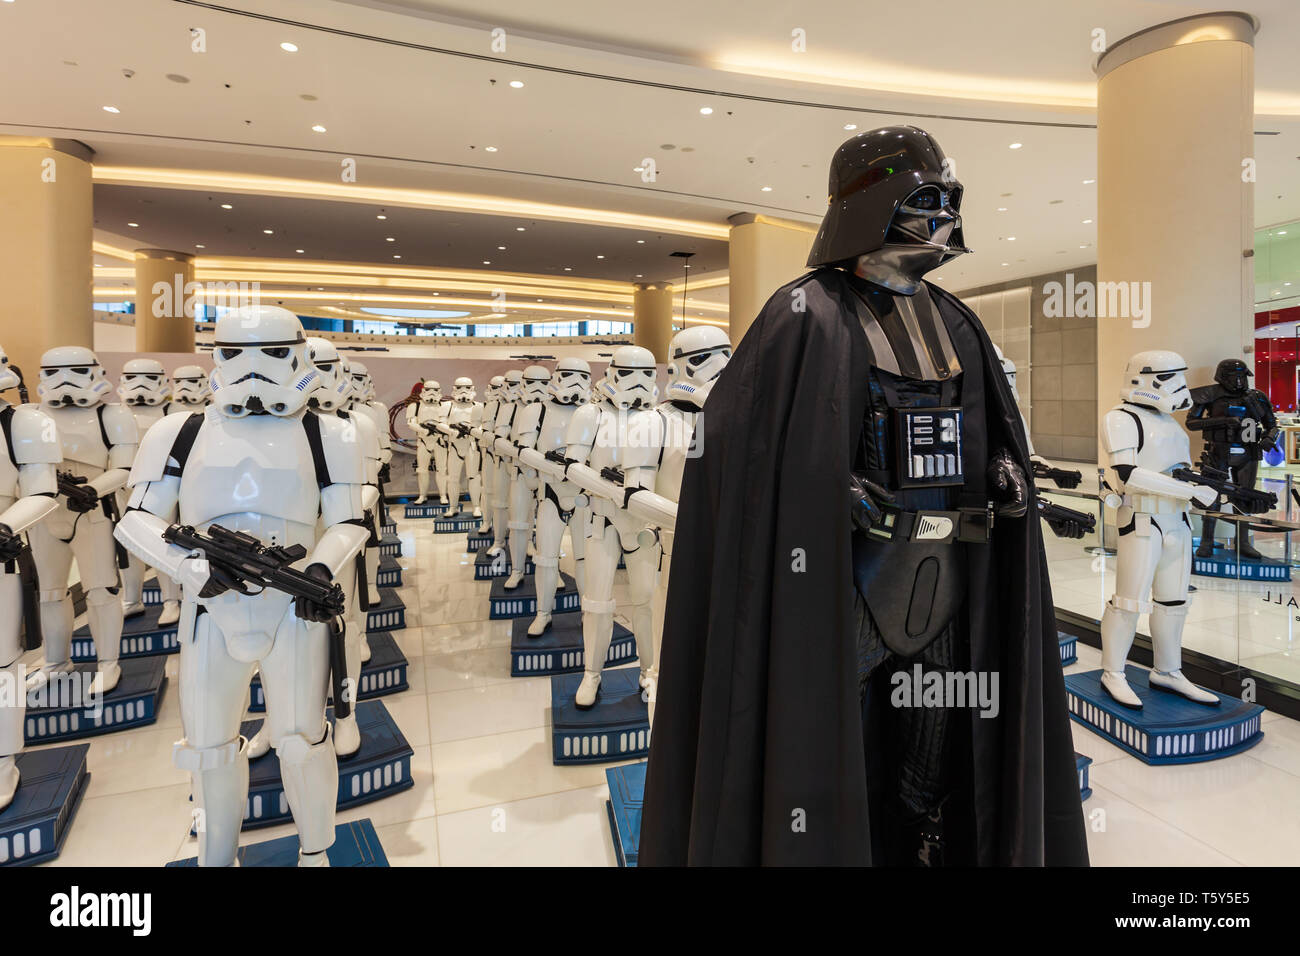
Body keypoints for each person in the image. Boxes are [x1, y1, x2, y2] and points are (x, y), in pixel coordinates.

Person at [639, 125, 1088, 866]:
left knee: (937, 733)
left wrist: (1003, 474)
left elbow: (987, 433)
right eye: (926, 198)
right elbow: (742, 454)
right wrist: (822, 488)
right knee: (819, 733)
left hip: (947, 576)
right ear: (871, 203)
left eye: (950, 199)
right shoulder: (803, 314)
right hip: (838, 585)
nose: (944, 215)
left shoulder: (956, 321)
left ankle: (918, 841)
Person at [115, 306, 370, 867]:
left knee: (302, 742)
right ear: (216, 357)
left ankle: (315, 852)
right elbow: (134, 519)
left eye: (274, 354)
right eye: (235, 354)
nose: (253, 370)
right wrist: (190, 568)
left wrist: (321, 569)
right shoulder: (177, 431)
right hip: (210, 605)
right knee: (206, 751)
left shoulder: (330, 433)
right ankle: (215, 854)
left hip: (293, 605)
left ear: (300, 354)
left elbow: (350, 521)